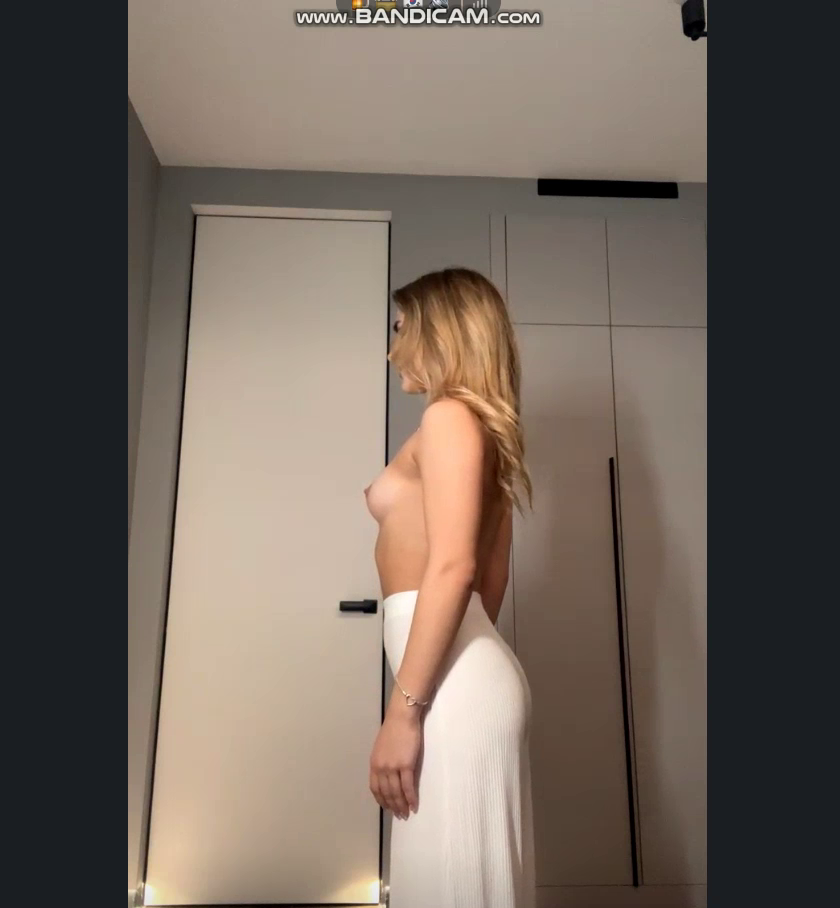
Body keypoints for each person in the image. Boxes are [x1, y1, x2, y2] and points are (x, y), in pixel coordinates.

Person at [364, 267, 536, 908]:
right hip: (460, 675)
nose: (393, 350)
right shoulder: (482, 430)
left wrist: (404, 712)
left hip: (449, 689)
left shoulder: (448, 418)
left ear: (442, 330)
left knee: (453, 886)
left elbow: (457, 568)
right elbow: (491, 583)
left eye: (401, 328)